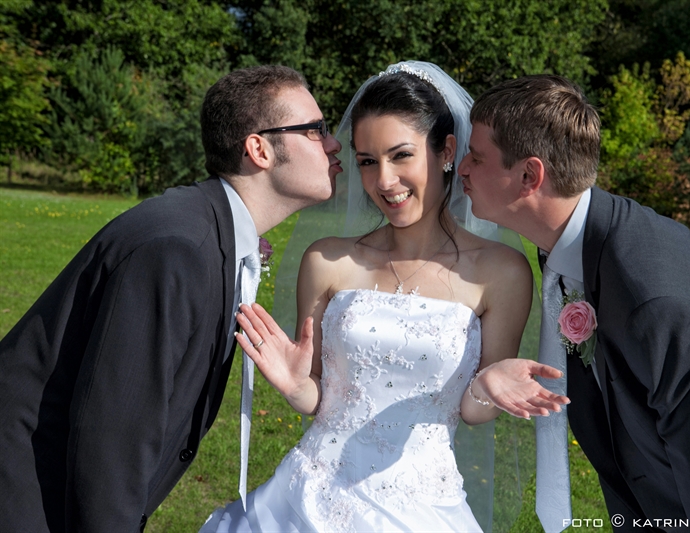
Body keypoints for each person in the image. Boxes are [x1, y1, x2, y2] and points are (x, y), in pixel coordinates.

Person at [200, 61, 568, 533]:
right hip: (306, 499)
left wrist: (489, 384)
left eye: (401, 156)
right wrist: (296, 389)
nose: (384, 182)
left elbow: (473, 411)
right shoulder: (327, 261)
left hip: (421, 506)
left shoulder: (502, 272)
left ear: (447, 152)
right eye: (368, 162)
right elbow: (318, 393)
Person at [0, 65, 343, 532]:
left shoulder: (206, 229)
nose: (333, 143)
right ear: (259, 148)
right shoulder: (178, 247)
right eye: (315, 130)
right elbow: (112, 438)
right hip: (26, 496)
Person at [460, 74, 690, 532]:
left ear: (529, 176)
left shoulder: (652, 294)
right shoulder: (571, 247)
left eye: (476, 157)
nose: (461, 168)